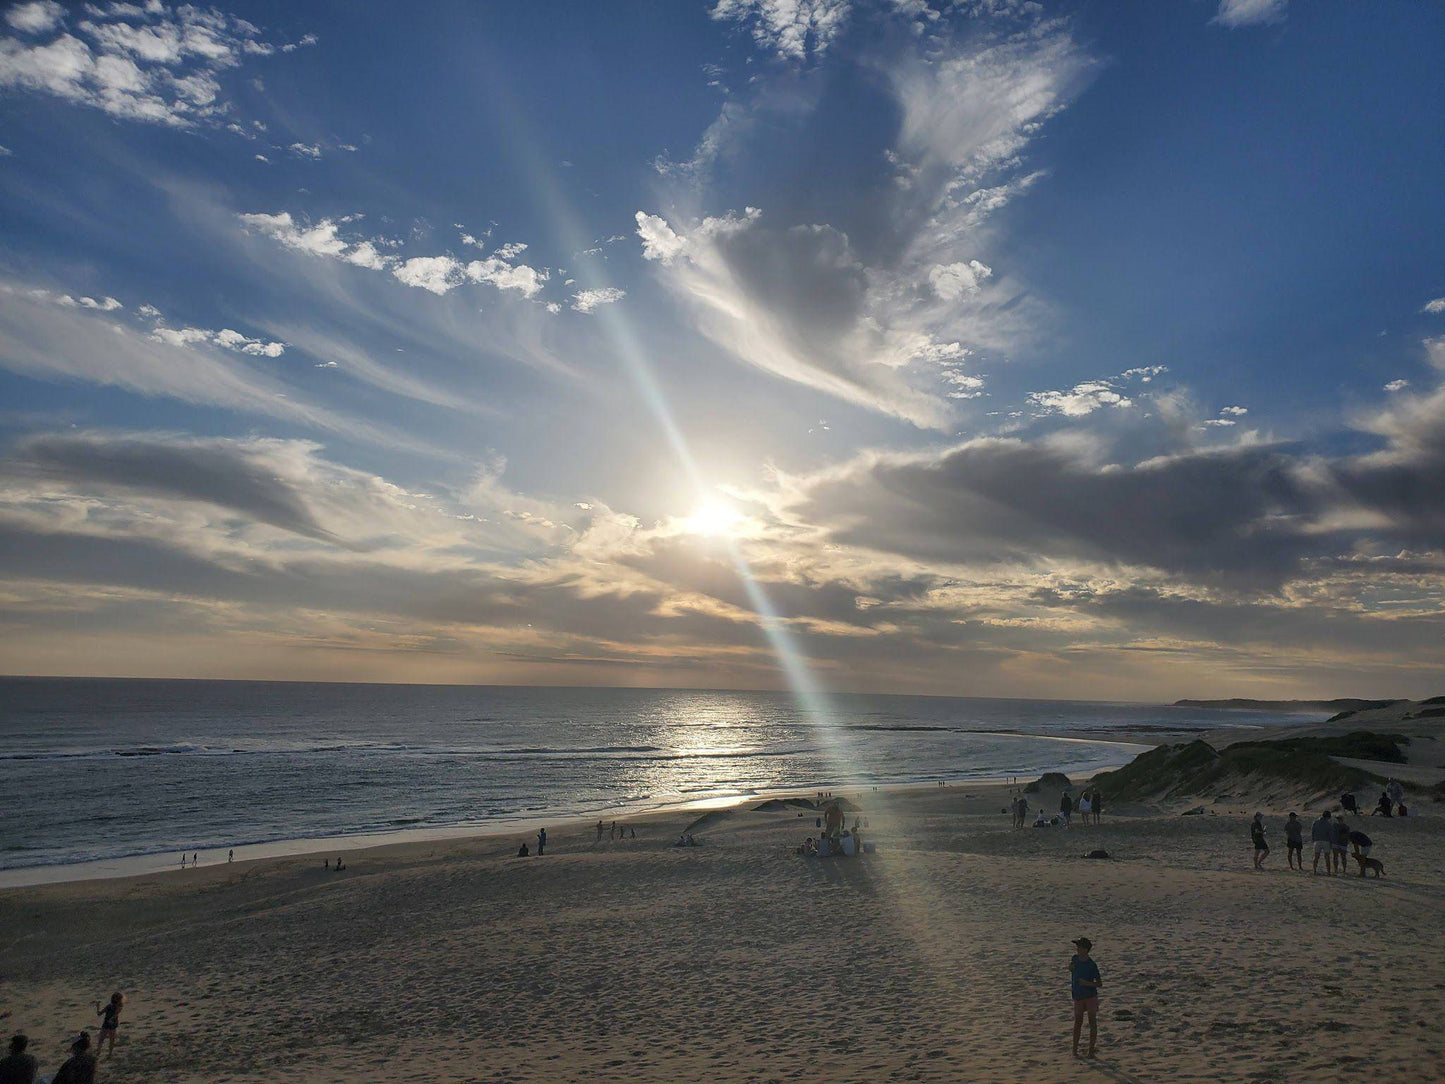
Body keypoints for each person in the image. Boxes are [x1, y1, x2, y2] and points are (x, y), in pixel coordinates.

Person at [1068, 937, 1102, 1058]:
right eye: (1077, 947)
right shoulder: (1075, 958)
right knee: (1078, 1022)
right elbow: (1071, 968)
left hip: (1090, 996)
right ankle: (1074, 1050)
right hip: (1078, 995)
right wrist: (1070, 968)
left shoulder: (1091, 965)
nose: (1077, 949)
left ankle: (1091, 1051)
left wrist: (1086, 983)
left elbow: (1099, 983)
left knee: (1092, 1022)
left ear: (1086, 950)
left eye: (1080, 947)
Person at [94, 992, 123, 1056]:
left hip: (107, 1025)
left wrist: (98, 1007)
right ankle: (108, 1053)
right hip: (111, 1026)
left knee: (102, 1039)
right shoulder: (117, 1007)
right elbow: (115, 1014)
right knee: (110, 1040)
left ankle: (99, 1052)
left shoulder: (110, 1006)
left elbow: (99, 1014)